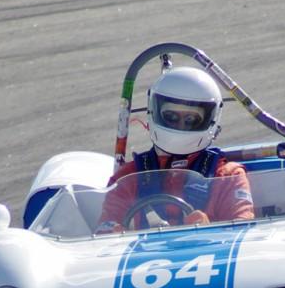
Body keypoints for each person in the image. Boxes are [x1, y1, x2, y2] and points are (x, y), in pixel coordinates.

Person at [97, 67, 254, 232]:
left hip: (208, 254)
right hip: (146, 256)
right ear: (154, 111)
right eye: (171, 117)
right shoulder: (128, 177)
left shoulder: (227, 176)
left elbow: (243, 233)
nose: (181, 125)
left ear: (211, 119)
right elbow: (104, 228)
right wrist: (113, 232)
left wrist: (211, 229)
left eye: (191, 119)